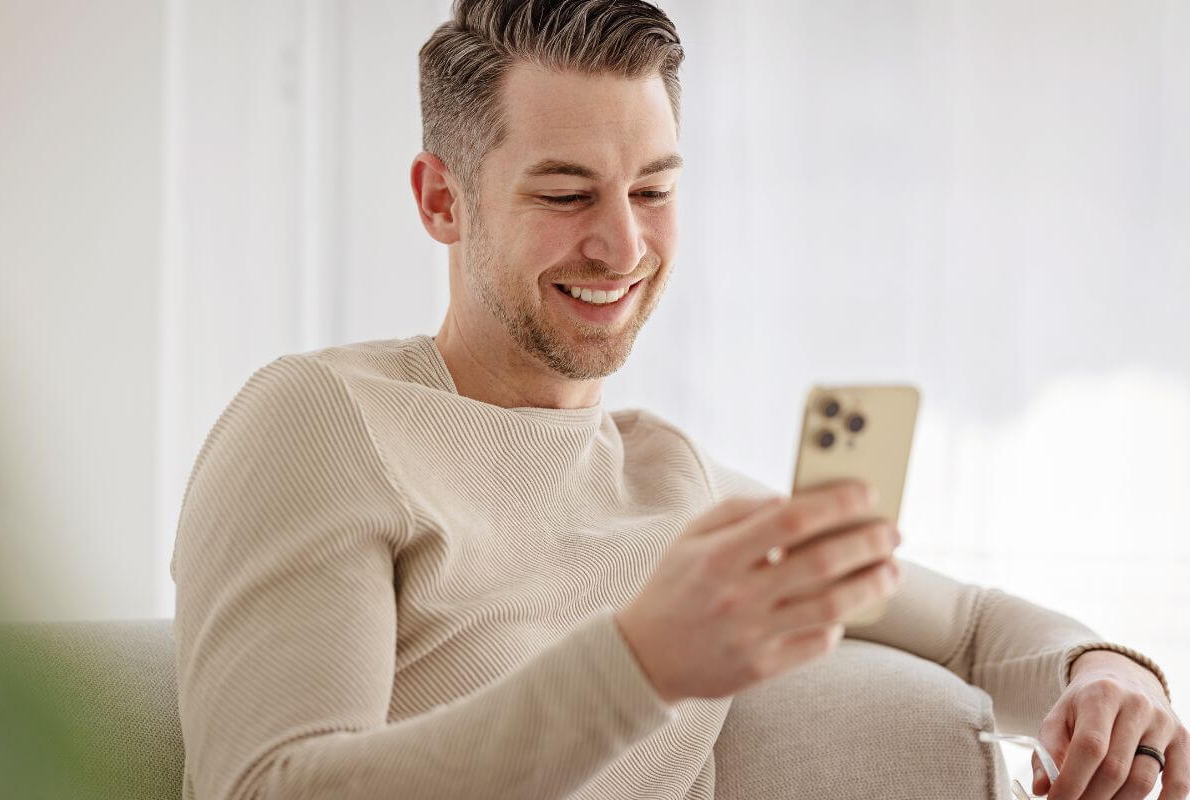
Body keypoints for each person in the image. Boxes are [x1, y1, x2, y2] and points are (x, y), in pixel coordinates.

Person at [170, 2, 1187, 798]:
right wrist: (641, 660)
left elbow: (966, 624)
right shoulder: (322, 420)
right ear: (443, 197)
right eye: (566, 194)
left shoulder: (670, 479)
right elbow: (268, 786)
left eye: (653, 189)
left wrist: (1108, 677)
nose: (622, 245)